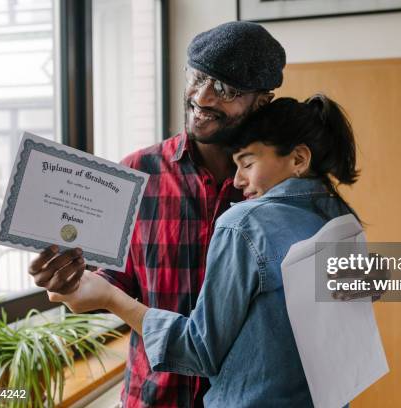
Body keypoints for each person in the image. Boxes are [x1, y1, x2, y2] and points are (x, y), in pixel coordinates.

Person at [28, 21, 285, 407]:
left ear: (262, 102)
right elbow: (113, 278)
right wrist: (70, 282)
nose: (203, 97)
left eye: (226, 89)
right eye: (197, 77)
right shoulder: (136, 174)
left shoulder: (281, 185)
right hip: (153, 397)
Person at [47, 94, 362, 407]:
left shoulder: (244, 224)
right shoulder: (341, 216)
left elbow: (198, 351)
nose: (239, 180)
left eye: (248, 163)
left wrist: (110, 298)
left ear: (298, 159)